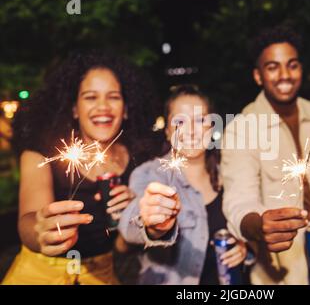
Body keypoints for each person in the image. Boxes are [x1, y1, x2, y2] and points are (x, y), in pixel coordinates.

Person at [2, 51, 161, 285]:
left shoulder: (141, 163)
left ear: (126, 109)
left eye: (113, 97)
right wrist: (40, 231)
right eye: (90, 97)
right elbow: (27, 221)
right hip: (37, 275)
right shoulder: (42, 153)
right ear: (75, 109)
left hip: (101, 276)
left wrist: (134, 217)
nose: (103, 106)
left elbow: (122, 247)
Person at [221, 25, 310, 285]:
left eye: (292, 65)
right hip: (279, 273)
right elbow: (238, 199)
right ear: (258, 76)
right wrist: (260, 227)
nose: (284, 75)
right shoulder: (242, 128)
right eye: (272, 67)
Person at [119, 85, 249, 284]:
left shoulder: (230, 172)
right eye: (179, 121)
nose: (191, 130)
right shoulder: (150, 174)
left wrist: (244, 249)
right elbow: (128, 229)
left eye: (200, 119)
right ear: (167, 130)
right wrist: (154, 225)